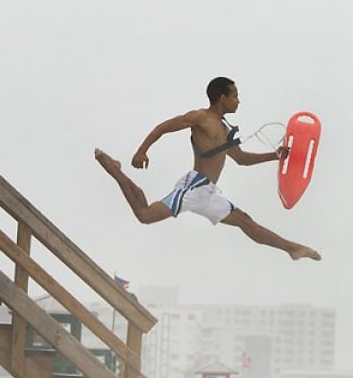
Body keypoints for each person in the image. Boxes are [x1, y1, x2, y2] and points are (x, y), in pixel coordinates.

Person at [95, 76, 321, 262]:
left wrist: (275, 156)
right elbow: (163, 127)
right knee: (145, 214)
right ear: (222, 97)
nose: (238, 101)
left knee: (245, 221)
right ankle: (115, 170)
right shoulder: (200, 118)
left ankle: (292, 248)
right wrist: (142, 150)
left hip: (208, 192)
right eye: (235, 96)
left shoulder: (224, 128)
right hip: (194, 187)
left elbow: (241, 159)